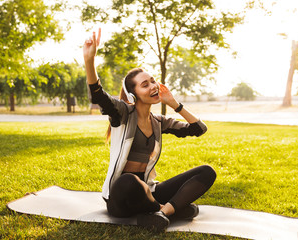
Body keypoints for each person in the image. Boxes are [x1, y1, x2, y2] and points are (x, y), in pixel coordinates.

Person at [83, 28, 216, 232]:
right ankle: (170, 208)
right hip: (122, 197)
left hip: (148, 192)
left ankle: (163, 213)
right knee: (129, 180)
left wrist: (174, 104)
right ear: (133, 94)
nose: (153, 86)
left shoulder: (159, 122)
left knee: (207, 172)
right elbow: (98, 96)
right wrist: (89, 61)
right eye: (145, 85)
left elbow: (199, 129)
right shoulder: (122, 113)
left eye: (153, 81)